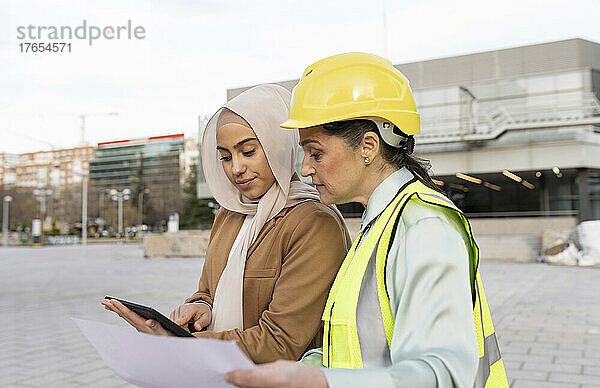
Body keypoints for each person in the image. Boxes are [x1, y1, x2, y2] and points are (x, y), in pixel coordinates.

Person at [225, 54, 509, 387]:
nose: (305, 169)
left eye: (315, 152)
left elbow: (441, 375)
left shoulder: (423, 227)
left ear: (368, 146)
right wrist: (309, 367)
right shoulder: (380, 223)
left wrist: (321, 383)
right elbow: (357, 347)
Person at [102, 84, 350, 364]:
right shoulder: (230, 214)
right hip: (220, 372)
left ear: (280, 145)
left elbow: (281, 342)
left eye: (248, 151)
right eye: (225, 156)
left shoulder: (314, 224)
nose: (236, 168)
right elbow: (209, 289)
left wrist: (182, 343)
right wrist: (200, 307)